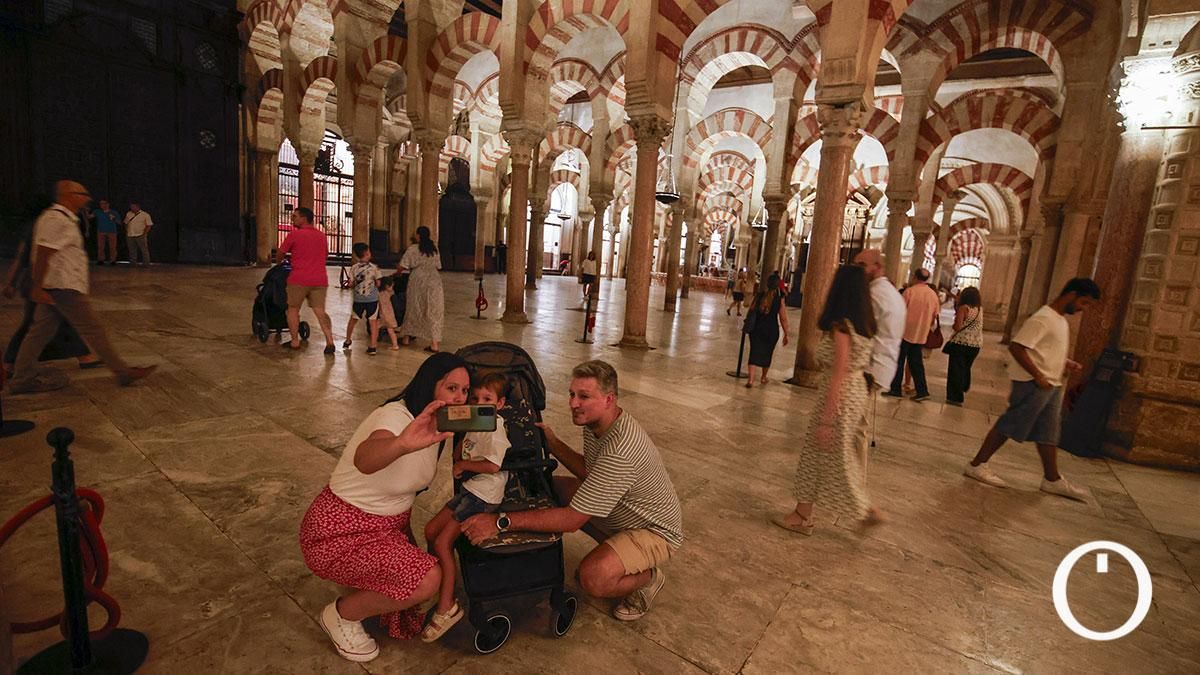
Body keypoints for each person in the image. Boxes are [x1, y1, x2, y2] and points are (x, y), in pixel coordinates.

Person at [462, 360, 683, 622]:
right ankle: (616, 551)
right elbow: (590, 472)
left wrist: (499, 522)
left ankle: (647, 577)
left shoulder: (622, 450)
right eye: (572, 394)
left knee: (592, 578)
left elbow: (571, 520)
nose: (573, 403)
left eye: (584, 396)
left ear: (609, 399)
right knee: (548, 487)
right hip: (621, 508)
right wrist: (554, 445)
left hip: (654, 530)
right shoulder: (599, 424)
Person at [299, 352, 466, 662]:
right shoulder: (395, 417)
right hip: (340, 531)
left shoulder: (433, 426)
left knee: (414, 579)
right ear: (430, 385)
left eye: (464, 391)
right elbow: (367, 457)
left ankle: (361, 593)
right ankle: (341, 615)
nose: (459, 398)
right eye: (451, 388)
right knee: (428, 579)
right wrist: (400, 444)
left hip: (386, 527)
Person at [7, 181, 156, 393]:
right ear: (67, 196)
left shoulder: (64, 218)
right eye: (81, 193)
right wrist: (38, 287)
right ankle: (123, 373)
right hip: (62, 287)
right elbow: (43, 254)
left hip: (58, 285)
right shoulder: (56, 219)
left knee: (39, 332)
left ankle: (22, 379)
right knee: (93, 329)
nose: (87, 197)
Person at [963, 279, 1101, 501]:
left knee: (1049, 432)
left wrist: (1064, 362)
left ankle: (1052, 479)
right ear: (1071, 294)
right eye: (1083, 302)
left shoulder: (1059, 320)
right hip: (1033, 383)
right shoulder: (1043, 318)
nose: (1082, 309)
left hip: (1051, 383)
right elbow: (1018, 347)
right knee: (1010, 424)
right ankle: (977, 465)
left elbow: (1041, 349)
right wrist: (1038, 375)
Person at [774, 265, 883, 535]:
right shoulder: (864, 324)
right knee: (821, 455)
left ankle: (867, 510)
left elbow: (838, 371)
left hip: (840, 394)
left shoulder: (842, 327)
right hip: (855, 390)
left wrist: (826, 417)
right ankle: (803, 513)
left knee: (838, 457)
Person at [420, 373, 511, 642]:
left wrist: (464, 465)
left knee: (443, 543)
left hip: (483, 495)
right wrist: (459, 447)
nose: (479, 403)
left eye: (487, 399)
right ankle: (437, 583)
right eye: (475, 398)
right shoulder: (477, 421)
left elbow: (493, 465)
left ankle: (447, 606)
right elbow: (465, 447)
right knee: (430, 531)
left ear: (500, 403)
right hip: (471, 490)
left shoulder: (495, 427)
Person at [2, 196, 101, 378]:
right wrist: (12, 284)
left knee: (54, 320)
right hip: (43, 283)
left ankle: (84, 356)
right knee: (37, 323)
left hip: (48, 282)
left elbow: (21, 257)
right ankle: (10, 364)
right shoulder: (43, 226)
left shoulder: (38, 226)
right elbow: (23, 257)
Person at [277, 206, 336, 354]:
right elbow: (325, 256)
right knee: (320, 311)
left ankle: (295, 341)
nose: (292, 219)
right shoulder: (322, 236)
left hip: (299, 279)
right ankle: (330, 341)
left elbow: (280, 253)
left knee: (293, 309)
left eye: (295, 216)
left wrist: (281, 262)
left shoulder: (294, 235)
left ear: (303, 219)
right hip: (319, 279)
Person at [883, 268, 940, 401]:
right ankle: (922, 390)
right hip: (921, 334)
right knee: (916, 363)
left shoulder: (910, 292)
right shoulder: (932, 295)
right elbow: (935, 315)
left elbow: (899, 310)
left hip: (905, 332)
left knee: (899, 361)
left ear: (915, 277)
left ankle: (895, 389)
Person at [398, 225, 445, 352]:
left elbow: (403, 265)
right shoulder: (434, 248)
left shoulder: (413, 249)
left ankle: (406, 338)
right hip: (434, 280)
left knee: (414, 307)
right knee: (434, 310)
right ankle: (434, 344)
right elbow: (438, 265)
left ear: (418, 235)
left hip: (418, 280)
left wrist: (397, 273)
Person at [745, 272, 789, 389]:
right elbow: (783, 318)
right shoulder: (779, 300)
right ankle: (763, 377)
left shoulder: (759, 296)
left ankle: (750, 380)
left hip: (757, 329)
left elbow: (751, 310)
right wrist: (786, 333)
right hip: (771, 330)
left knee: (754, 352)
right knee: (767, 353)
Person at [944, 286, 984, 406]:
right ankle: (964, 386)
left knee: (956, 369)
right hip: (975, 344)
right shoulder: (979, 309)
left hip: (961, 343)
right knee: (966, 368)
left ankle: (955, 397)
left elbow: (957, 326)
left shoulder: (963, 308)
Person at [343, 242, 381, 356]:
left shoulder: (354, 268)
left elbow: (350, 283)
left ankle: (348, 339)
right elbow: (378, 283)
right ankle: (373, 346)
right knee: (373, 322)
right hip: (372, 299)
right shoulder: (374, 268)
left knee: (353, 319)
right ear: (367, 253)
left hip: (358, 299)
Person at [122, 201, 153, 266]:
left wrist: (144, 233)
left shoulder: (145, 215)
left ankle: (146, 263)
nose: (131, 208)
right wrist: (127, 230)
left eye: (133, 207)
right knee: (132, 250)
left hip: (140, 234)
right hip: (130, 234)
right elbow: (125, 222)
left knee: (144, 250)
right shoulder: (128, 214)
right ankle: (133, 263)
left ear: (138, 207)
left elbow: (149, 225)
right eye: (131, 207)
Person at [91, 199, 121, 265]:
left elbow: (119, 222)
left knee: (112, 246)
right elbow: (90, 217)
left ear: (107, 204)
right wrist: (85, 211)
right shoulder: (97, 211)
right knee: (101, 246)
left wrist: (114, 218)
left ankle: (113, 260)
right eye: (101, 204)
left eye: (103, 203)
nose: (102, 205)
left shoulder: (113, 212)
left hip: (112, 231)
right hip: (101, 231)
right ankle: (101, 260)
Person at [376, 276, 401, 350]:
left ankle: (374, 341)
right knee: (390, 330)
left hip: (382, 314)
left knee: (376, 327)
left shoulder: (379, 293)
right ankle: (395, 345)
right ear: (387, 286)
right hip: (390, 314)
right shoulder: (389, 293)